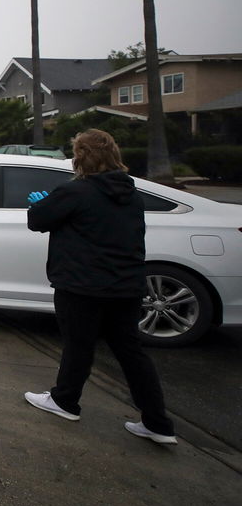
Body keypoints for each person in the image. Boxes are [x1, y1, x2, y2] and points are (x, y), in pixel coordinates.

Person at [22, 129, 176, 445]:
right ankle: (158, 423)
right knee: (131, 353)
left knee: (79, 346)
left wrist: (41, 204)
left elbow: (38, 221)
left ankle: (65, 402)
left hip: (82, 285)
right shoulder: (131, 194)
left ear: (80, 157)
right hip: (127, 286)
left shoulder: (76, 191)